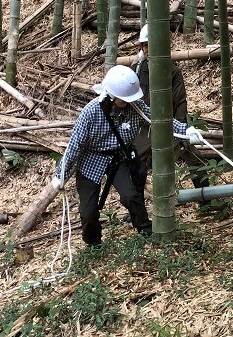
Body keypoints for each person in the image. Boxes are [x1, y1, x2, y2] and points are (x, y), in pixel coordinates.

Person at [52, 65, 201, 246]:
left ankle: (146, 230)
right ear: (111, 95)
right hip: (91, 159)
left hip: (119, 158)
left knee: (131, 196)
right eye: (122, 100)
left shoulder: (136, 107)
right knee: (88, 212)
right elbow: (74, 145)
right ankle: (93, 244)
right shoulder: (91, 112)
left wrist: (186, 130)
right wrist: (61, 175)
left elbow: (158, 120)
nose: (126, 102)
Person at [130, 25, 211, 204]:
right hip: (144, 125)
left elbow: (180, 101)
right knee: (135, 164)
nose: (149, 50)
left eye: (152, 45)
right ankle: (137, 209)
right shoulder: (136, 69)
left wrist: (181, 129)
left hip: (169, 123)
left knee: (194, 158)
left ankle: (206, 200)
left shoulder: (172, 71)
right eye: (145, 45)